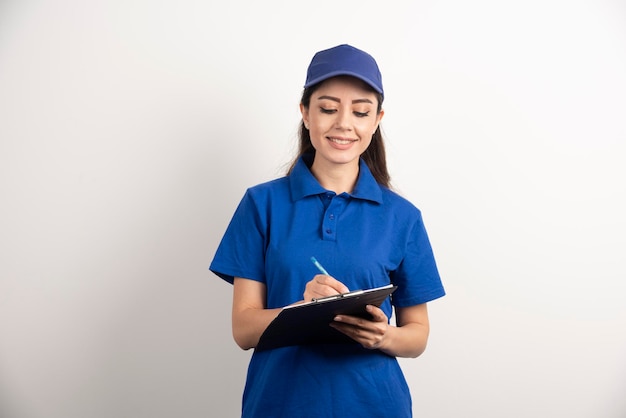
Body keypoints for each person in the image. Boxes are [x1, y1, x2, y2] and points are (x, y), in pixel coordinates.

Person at [209, 44, 445, 418]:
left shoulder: (403, 216)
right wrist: (301, 311)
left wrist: (385, 336)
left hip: (376, 406)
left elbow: (417, 335)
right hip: (279, 405)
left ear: (377, 118)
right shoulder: (262, 204)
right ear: (305, 113)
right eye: (328, 108)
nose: (344, 124)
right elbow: (243, 330)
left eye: (361, 111)